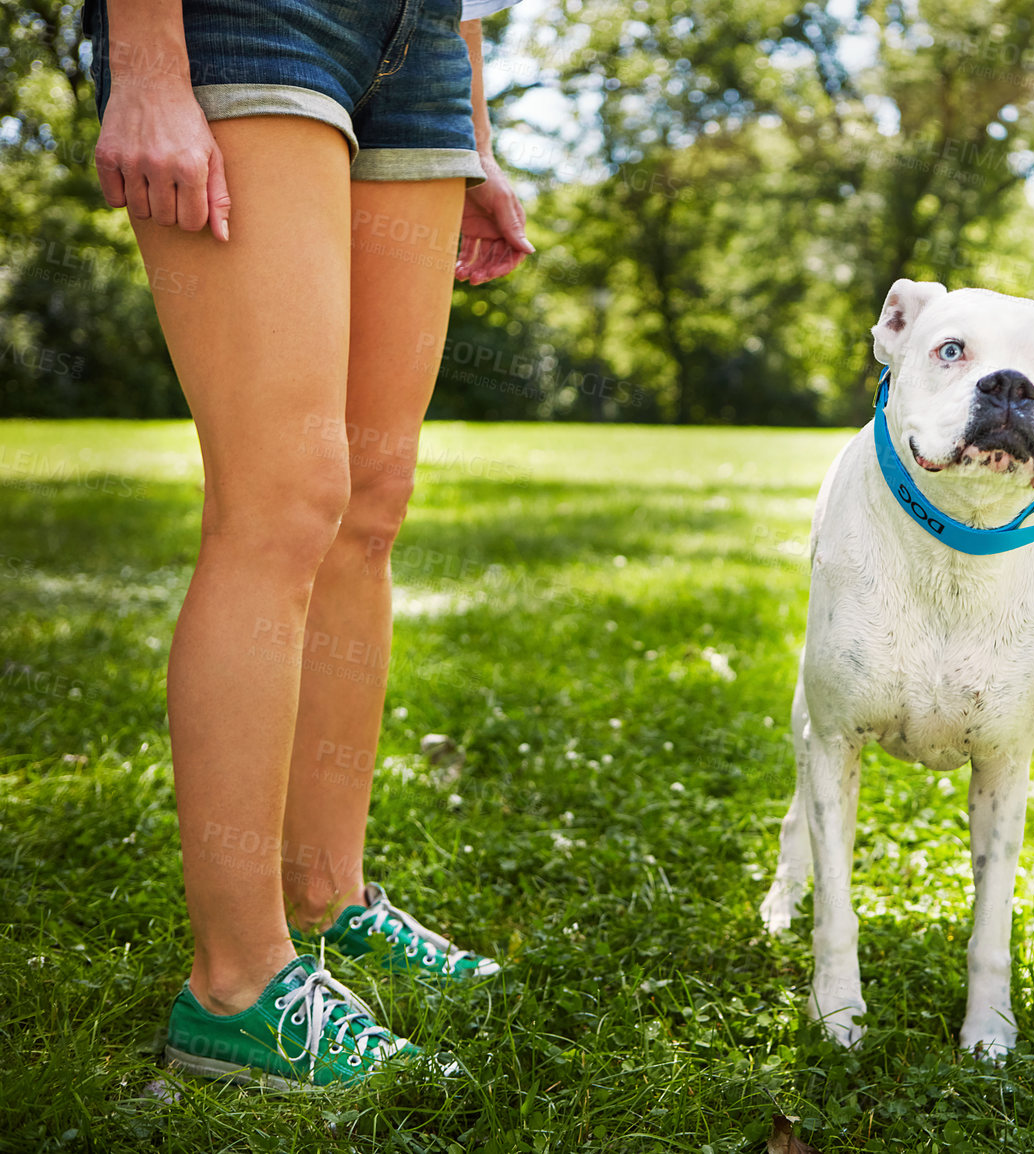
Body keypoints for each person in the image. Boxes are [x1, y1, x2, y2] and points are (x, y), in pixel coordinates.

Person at [85, 0, 530, 1088]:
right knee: (281, 494)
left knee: (370, 497)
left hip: (423, 43)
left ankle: (325, 895)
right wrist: (147, 62)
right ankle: (233, 985)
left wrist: (471, 120)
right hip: (251, 19)